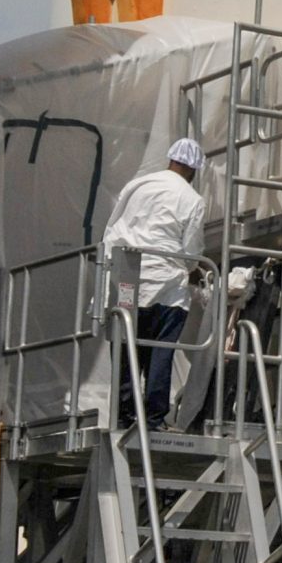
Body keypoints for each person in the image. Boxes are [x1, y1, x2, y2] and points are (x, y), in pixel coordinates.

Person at [100, 138, 207, 430]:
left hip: (127, 276)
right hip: (166, 286)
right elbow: (190, 250)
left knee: (126, 346)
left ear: (170, 159)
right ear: (195, 169)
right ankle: (153, 417)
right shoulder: (192, 199)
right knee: (161, 351)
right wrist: (195, 270)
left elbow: (114, 226)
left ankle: (122, 414)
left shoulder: (138, 185)